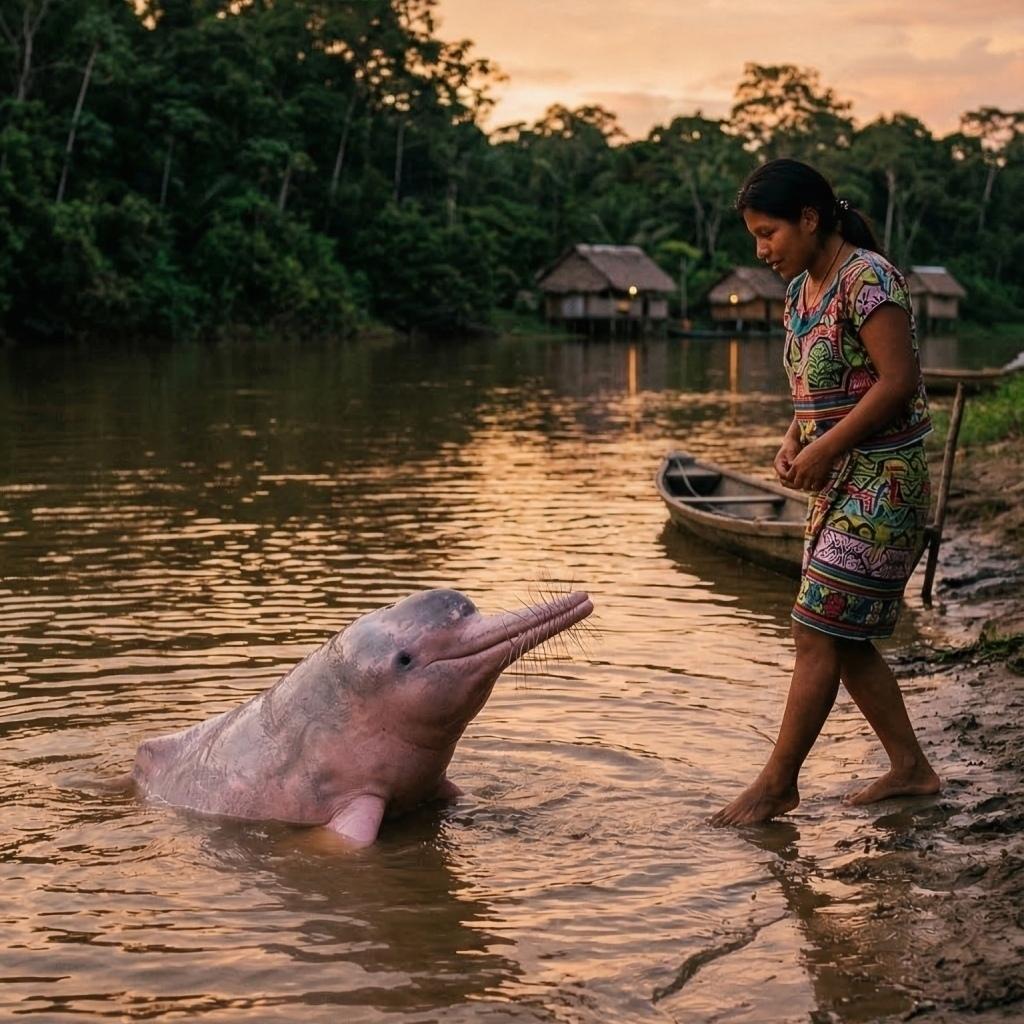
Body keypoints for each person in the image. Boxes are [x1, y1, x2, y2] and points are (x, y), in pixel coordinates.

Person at [712, 158, 941, 826]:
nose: (761, 250)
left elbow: (896, 382)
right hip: (836, 484)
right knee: (841, 637)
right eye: (754, 236)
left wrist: (824, 446)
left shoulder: (868, 278)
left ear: (810, 219)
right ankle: (911, 769)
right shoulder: (798, 295)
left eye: (769, 232)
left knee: (814, 630)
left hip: (885, 484)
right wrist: (794, 438)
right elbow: (816, 388)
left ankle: (776, 787)